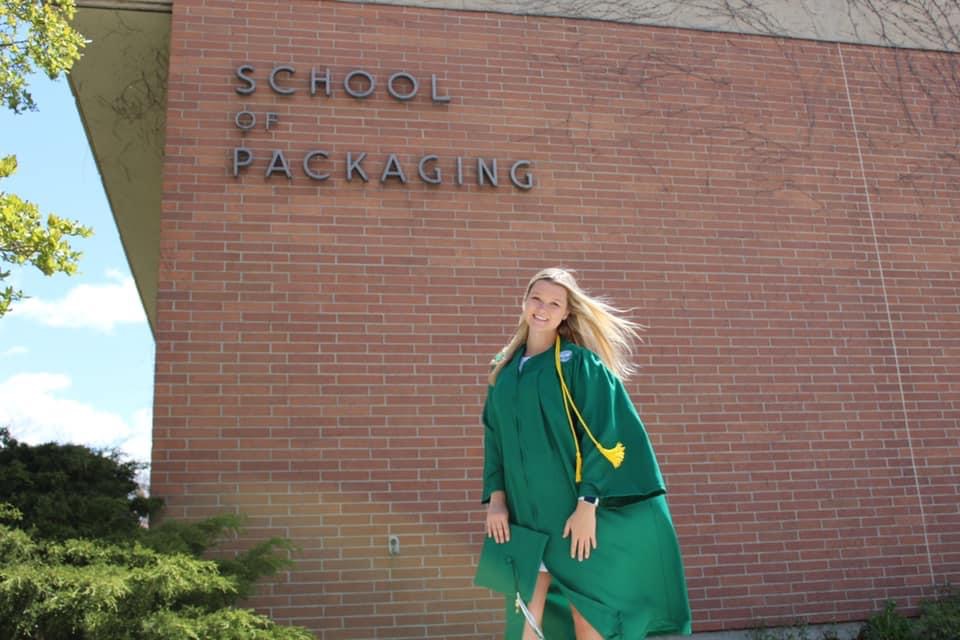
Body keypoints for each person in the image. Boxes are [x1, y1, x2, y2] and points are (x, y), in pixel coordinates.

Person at [480, 268, 692, 639]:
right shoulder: (504, 371)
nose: (542, 308)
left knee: (588, 618)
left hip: (568, 516)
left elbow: (603, 435)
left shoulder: (580, 365)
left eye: (554, 303)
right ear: (524, 302)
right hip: (521, 518)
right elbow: (494, 440)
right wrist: (496, 500)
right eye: (536, 298)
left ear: (566, 313)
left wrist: (587, 504)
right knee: (522, 620)